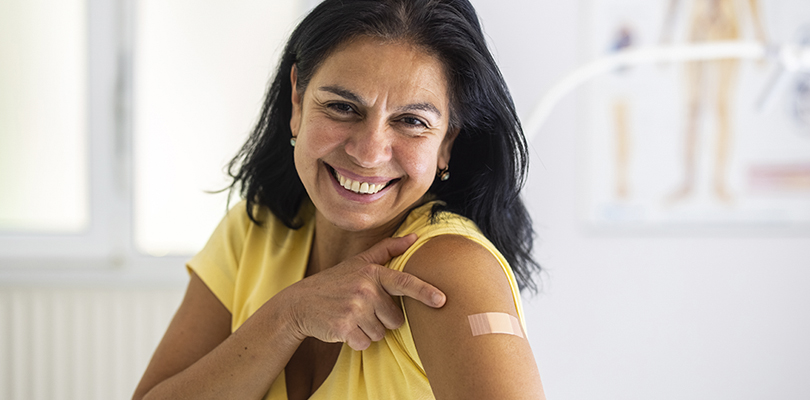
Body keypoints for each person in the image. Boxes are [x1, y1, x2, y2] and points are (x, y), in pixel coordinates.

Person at [133, 0, 545, 398]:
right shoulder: (252, 229)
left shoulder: (450, 269)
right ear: (297, 101)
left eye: (412, 121)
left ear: (446, 143)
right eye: (343, 107)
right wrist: (288, 316)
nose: (369, 153)